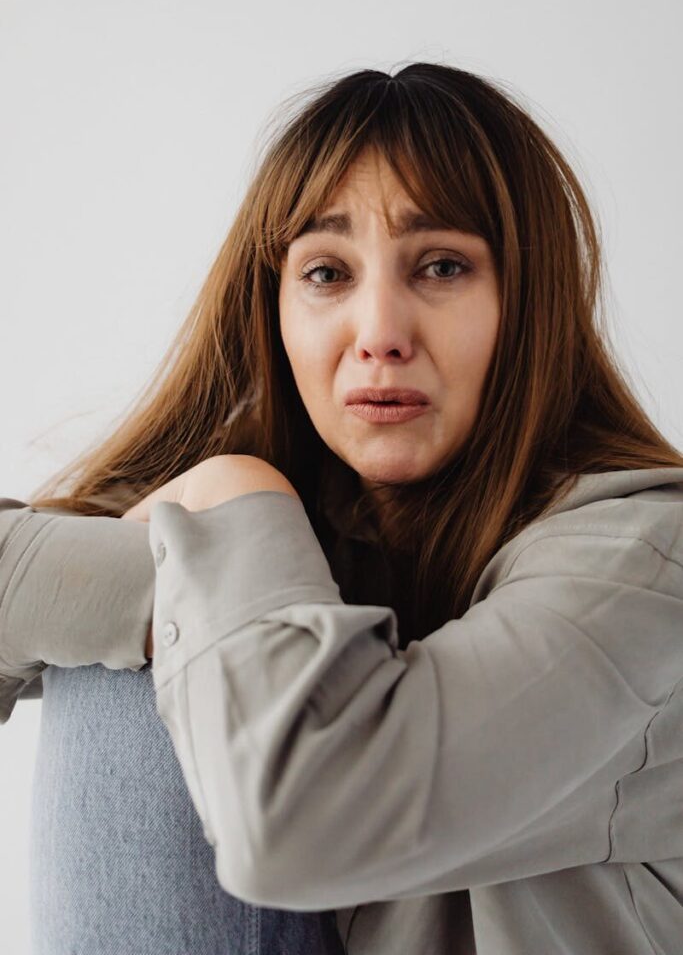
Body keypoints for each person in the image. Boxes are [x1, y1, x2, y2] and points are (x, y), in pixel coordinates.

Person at [2, 62, 682, 955]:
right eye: (326, 272)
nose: (380, 331)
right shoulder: (320, 532)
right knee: (179, 627)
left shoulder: (649, 567)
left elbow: (297, 823)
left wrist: (231, 495)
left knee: (194, 628)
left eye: (441, 266)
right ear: (274, 310)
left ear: (529, 304)